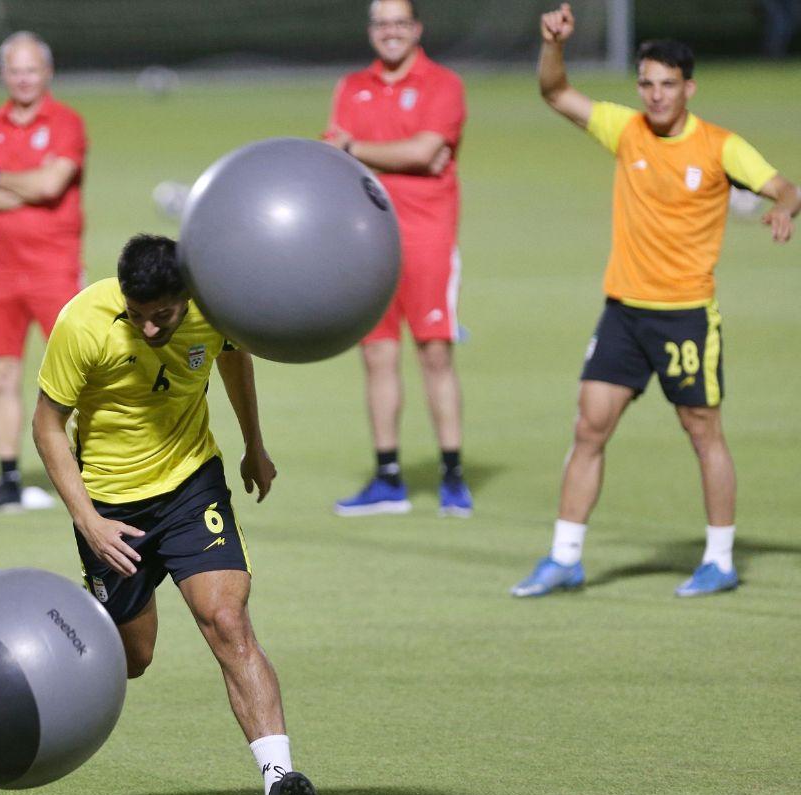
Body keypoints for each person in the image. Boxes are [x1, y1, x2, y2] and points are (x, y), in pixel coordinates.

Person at [32, 235, 317, 795]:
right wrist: (88, 521)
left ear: (186, 295)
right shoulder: (83, 322)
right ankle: (60, 630)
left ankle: (280, 779)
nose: (149, 327)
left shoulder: (216, 308)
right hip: (112, 507)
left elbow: (235, 357)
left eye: (161, 315)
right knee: (133, 659)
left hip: (191, 486)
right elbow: (47, 424)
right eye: (137, 315)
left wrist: (254, 445)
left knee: (227, 622)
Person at [512, 4, 800, 598]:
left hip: (686, 316)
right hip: (623, 312)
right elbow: (556, 92)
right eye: (646, 83)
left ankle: (720, 559)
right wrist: (553, 44)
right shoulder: (626, 129)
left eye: (668, 84)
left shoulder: (719, 146)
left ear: (688, 88)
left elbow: (784, 187)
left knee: (702, 431)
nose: (656, 95)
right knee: (590, 426)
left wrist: (783, 209)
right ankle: (565, 558)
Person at [324, 0, 471, 518]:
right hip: (367, 243)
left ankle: (452, 474)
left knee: (435, 355)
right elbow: (332, 151)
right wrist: (376, 152)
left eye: (400, 23)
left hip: (427, 238)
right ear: (372, 31)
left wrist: (356, 148)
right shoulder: (351, 86)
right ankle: (388, 477)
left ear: (416, 29)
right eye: (382, 23)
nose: (391, 32)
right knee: (378, 357)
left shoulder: (443, 84)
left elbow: (425, 151)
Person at [0, 31, 87, 514]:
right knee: (1, 374)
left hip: (55, 267)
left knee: (78, 374)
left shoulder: (66, 122)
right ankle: (9, 480)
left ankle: (95, 472)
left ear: (47, 72)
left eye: (31, 69)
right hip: (1, 272)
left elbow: (52, 184)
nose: (24, 78)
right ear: (3, 74)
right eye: (15, 70)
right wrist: (24, 186)